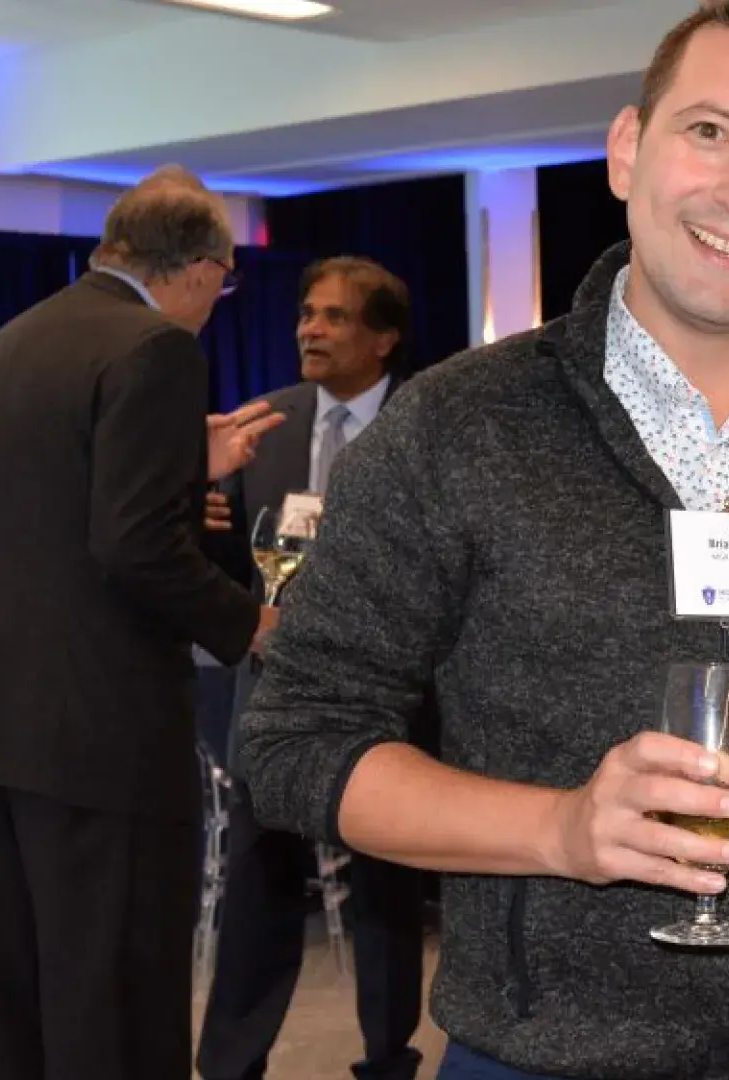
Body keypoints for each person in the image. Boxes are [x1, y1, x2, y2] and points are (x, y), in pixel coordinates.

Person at [236, 3, 729, 1079]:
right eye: (709, 132)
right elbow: (293, 743)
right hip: (543, 1054)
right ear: (628, 150)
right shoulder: (455, 428)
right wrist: (559, 830)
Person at [0, 167, 283, 1080]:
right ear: (205, 269)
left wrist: (185, 464)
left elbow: (59, 511)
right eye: (225, 282)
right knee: (117, 993)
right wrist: (252, 624)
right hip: (104, 732)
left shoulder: (15, 339)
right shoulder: (154, 348)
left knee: (24, 991)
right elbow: (135, 549)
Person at [196, 257, 430, 1080]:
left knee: (386, 890)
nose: (310, 330)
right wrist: (205, 509)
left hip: (391, 695)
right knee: (258, 885)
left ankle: (387, 1057)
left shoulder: (429, 422)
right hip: (278, 692)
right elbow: (229, 559)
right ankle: (229, 1063)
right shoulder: (267, 421)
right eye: (305, 314)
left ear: (384, 337)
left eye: (333, 317)